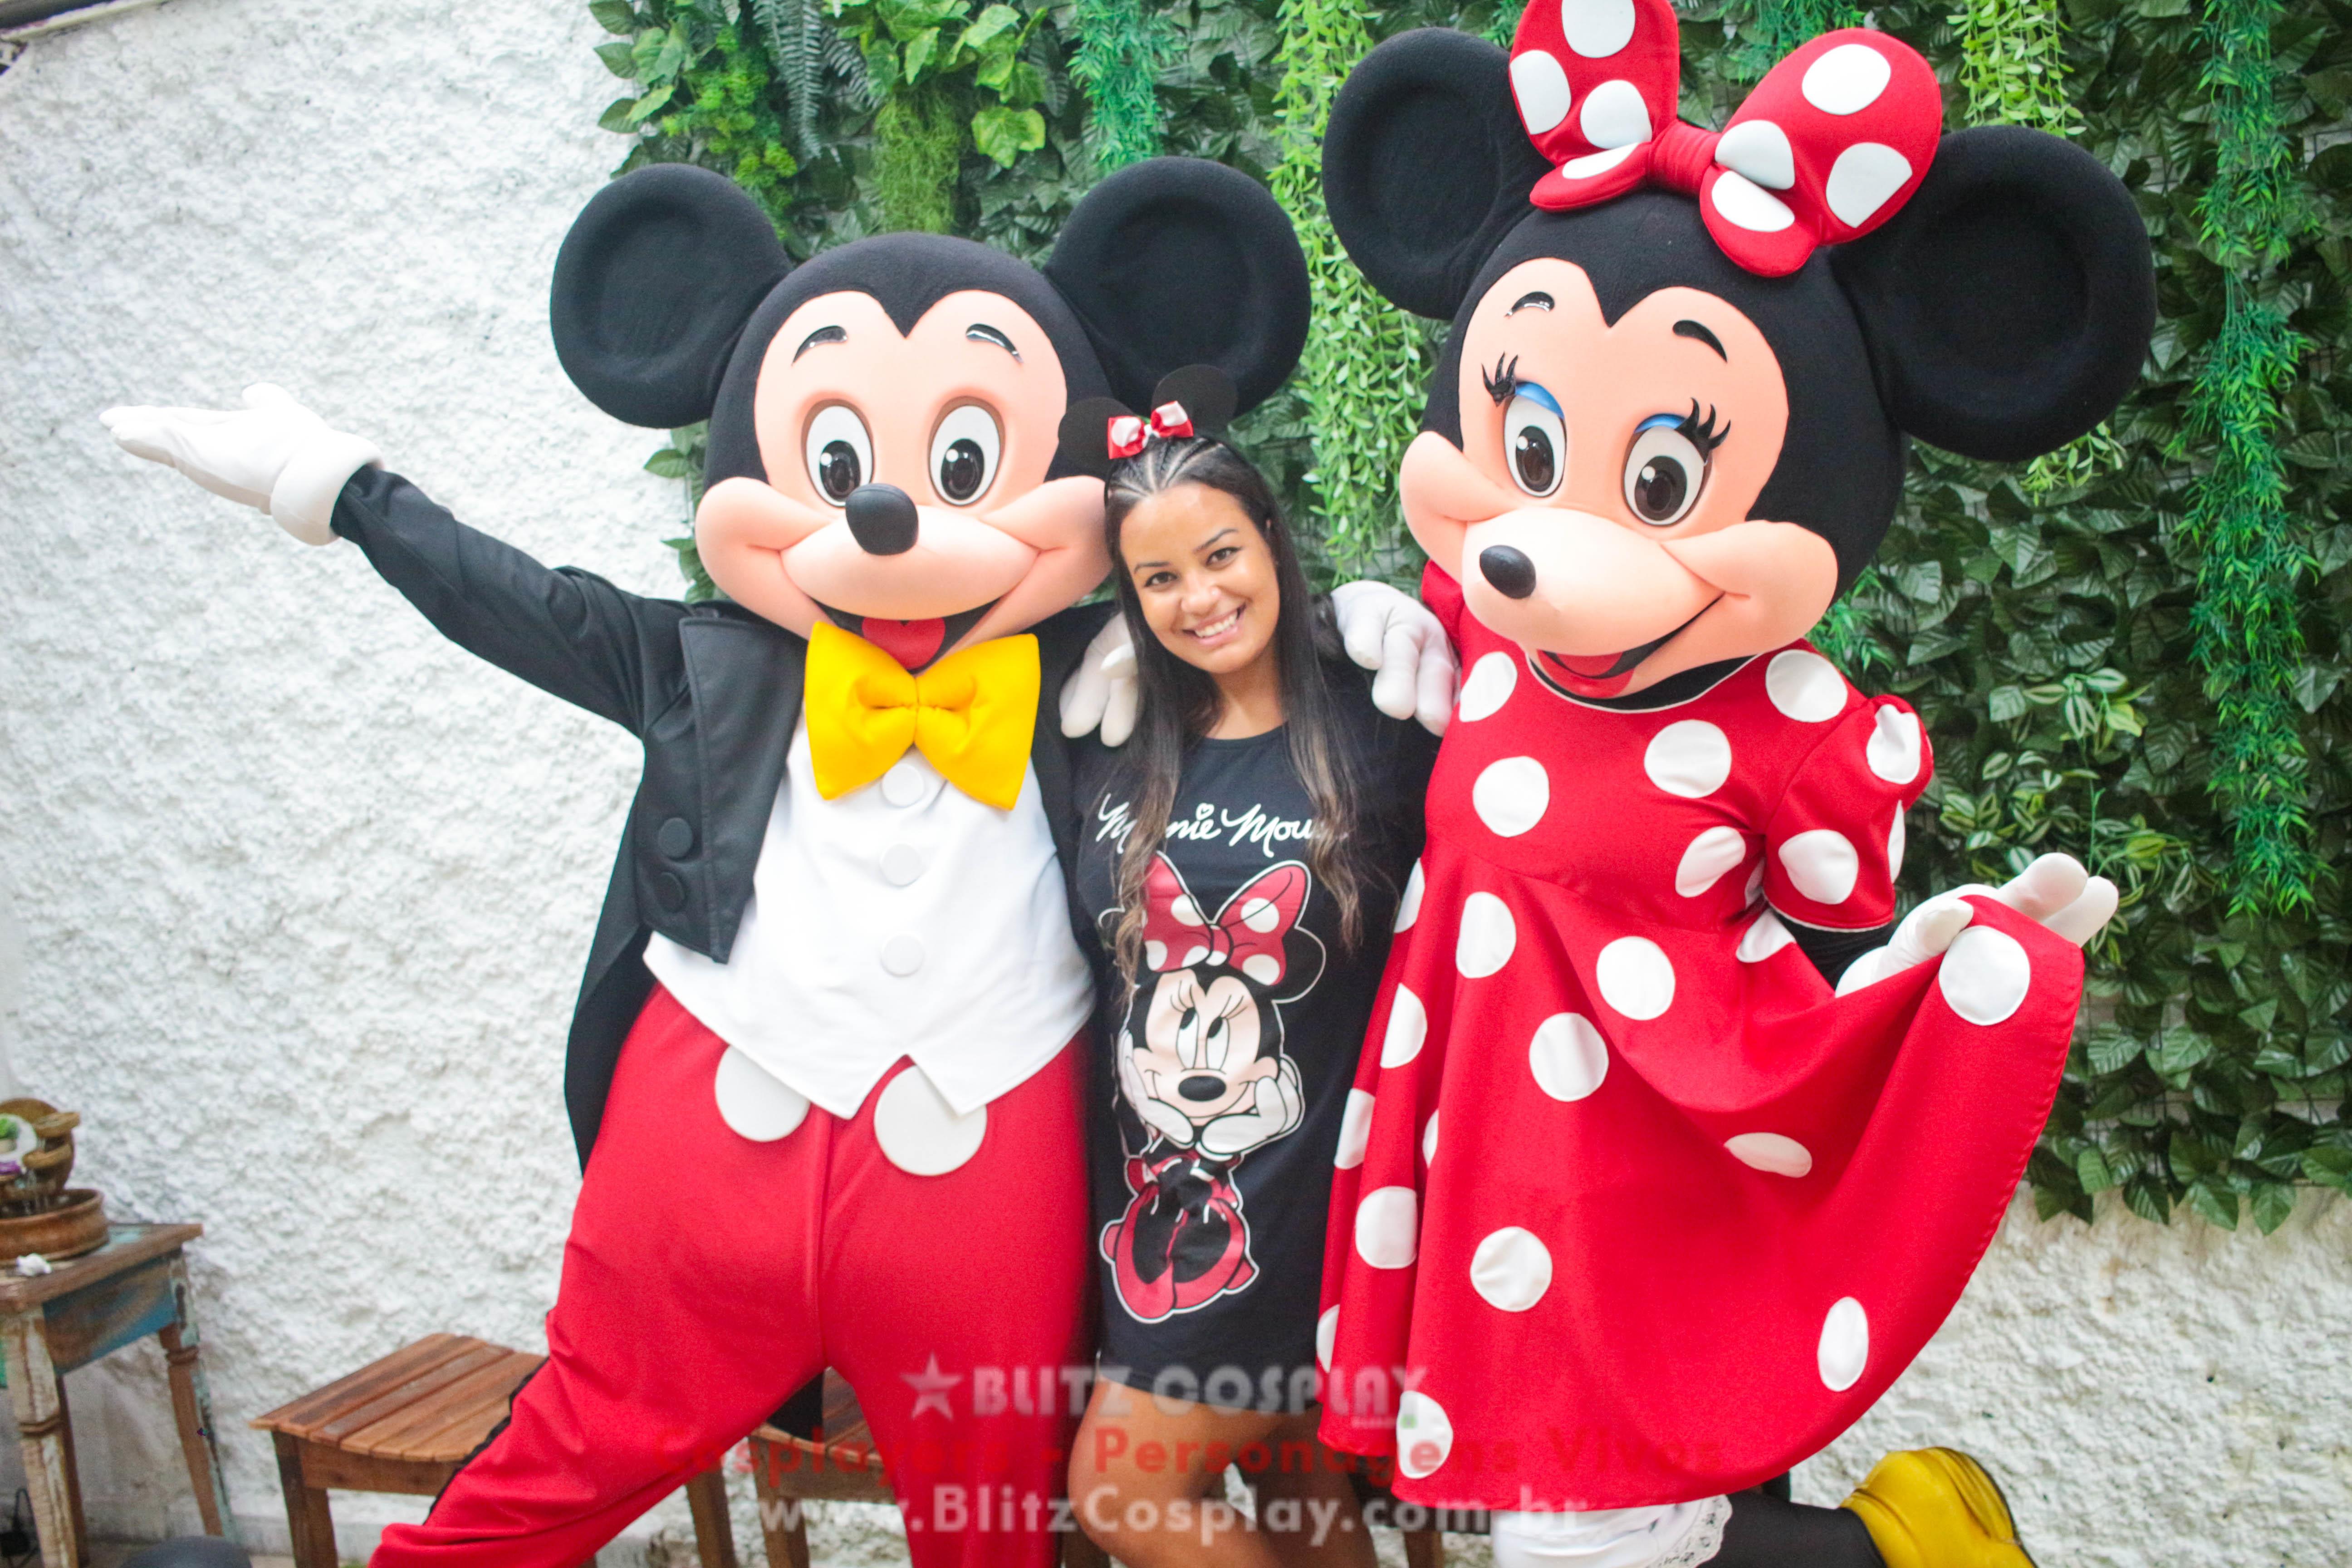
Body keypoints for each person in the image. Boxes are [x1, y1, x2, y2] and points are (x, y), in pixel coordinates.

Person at [1062, 423, 1440, 1568]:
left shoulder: (1382, 731)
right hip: (1145, 1202)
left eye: (1220, 555)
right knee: (1297, 1507)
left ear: (1274, 542)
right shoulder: (1127, 741)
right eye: (1159, 578)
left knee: (1122, 1495)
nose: (1198, 599)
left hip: (1293, 1198)